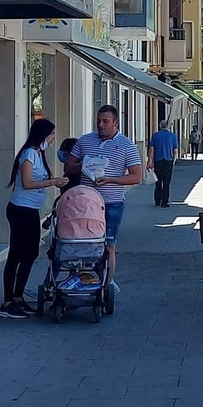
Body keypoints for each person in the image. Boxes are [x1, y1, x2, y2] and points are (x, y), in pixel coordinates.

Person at [70, 104, 144, 291]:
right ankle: (83, 279)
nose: (101, 125)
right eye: (98, 121)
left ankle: (107, 283)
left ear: (115, 122)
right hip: (85, 203)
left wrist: (111, 179)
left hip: (112, 203)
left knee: (109, 244)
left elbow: (136, 176)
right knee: (82, 242)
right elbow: (68, 167)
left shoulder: (127, 145)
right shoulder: (84, 141)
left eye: (105, 121)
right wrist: (83, 166)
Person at [0, 119, 66, 318]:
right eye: (52, 134)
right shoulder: (29, 153)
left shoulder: (39, 154)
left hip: (31, 211)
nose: (53, 138)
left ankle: (18, 297)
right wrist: (54, 182)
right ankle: (7, 302)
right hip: (20, 210)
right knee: (16, 255)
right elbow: (27, 183)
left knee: (31, 253)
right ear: (43, 134)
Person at [149, 118, 179, 207]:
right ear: (168, 126)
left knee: (158, 181)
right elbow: (175, 150)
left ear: (160, 126)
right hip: (168, 160)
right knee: (166, 182)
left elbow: (152, 149)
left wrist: (150, 161)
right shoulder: (173, 136)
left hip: (158, 160)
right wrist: (174, 161)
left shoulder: (155, 136)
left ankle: (157, 200)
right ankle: (165, 201)